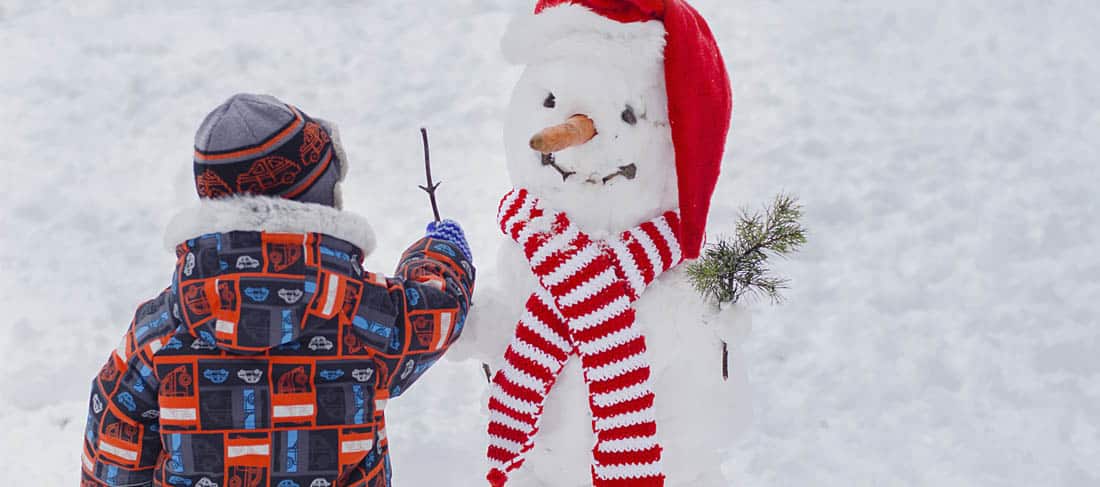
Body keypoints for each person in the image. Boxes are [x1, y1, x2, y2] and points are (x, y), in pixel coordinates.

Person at [79, 93, 474, 487]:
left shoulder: (162, 331)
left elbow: (114, 443)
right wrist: (441, 251)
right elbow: (439, 312)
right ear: (320, 202)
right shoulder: (359, 311)